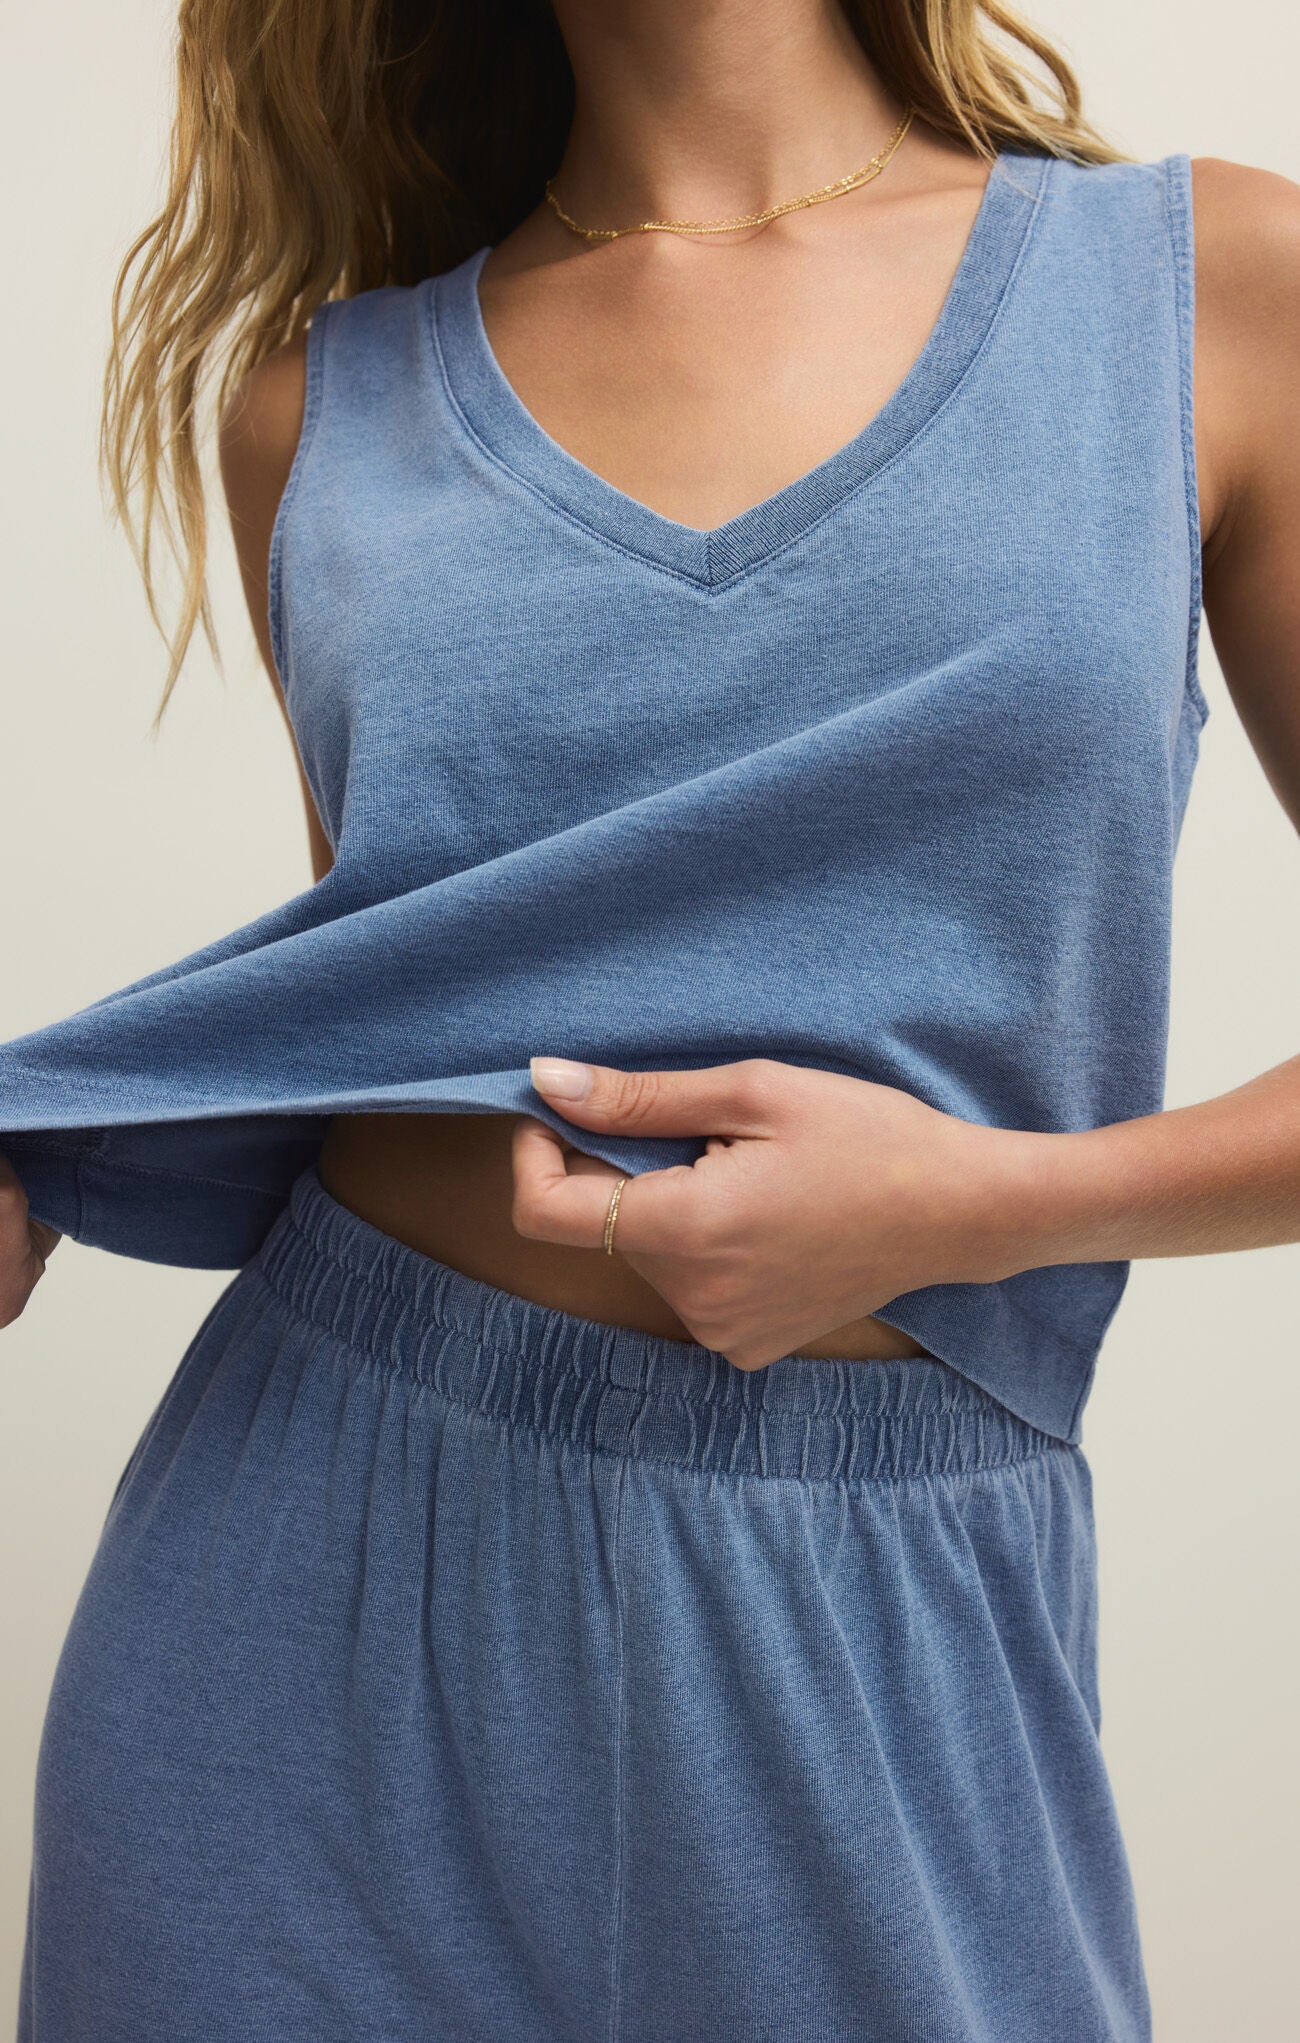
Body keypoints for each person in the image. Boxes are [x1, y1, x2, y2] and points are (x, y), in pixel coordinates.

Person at [2, 1, 1297, 2037]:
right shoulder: (314, 413)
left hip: (876, 1600)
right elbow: (405, 997)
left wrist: (982, 1205)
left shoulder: (1210, 290)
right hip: (306, 1582)